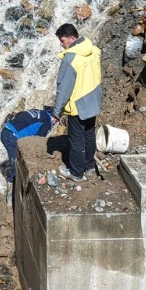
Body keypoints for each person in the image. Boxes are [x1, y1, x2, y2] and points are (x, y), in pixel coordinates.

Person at [47, 22, 102, 179]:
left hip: (78, 104)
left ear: (72, 38)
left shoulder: (70, 58)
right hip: (93, 100)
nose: (61, 44)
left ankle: (76, 172)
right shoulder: (93, 50)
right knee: (89, 134)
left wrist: (56, 113)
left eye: (63, 40)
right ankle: (89, 166)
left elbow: (64, 89)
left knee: (76, 138)